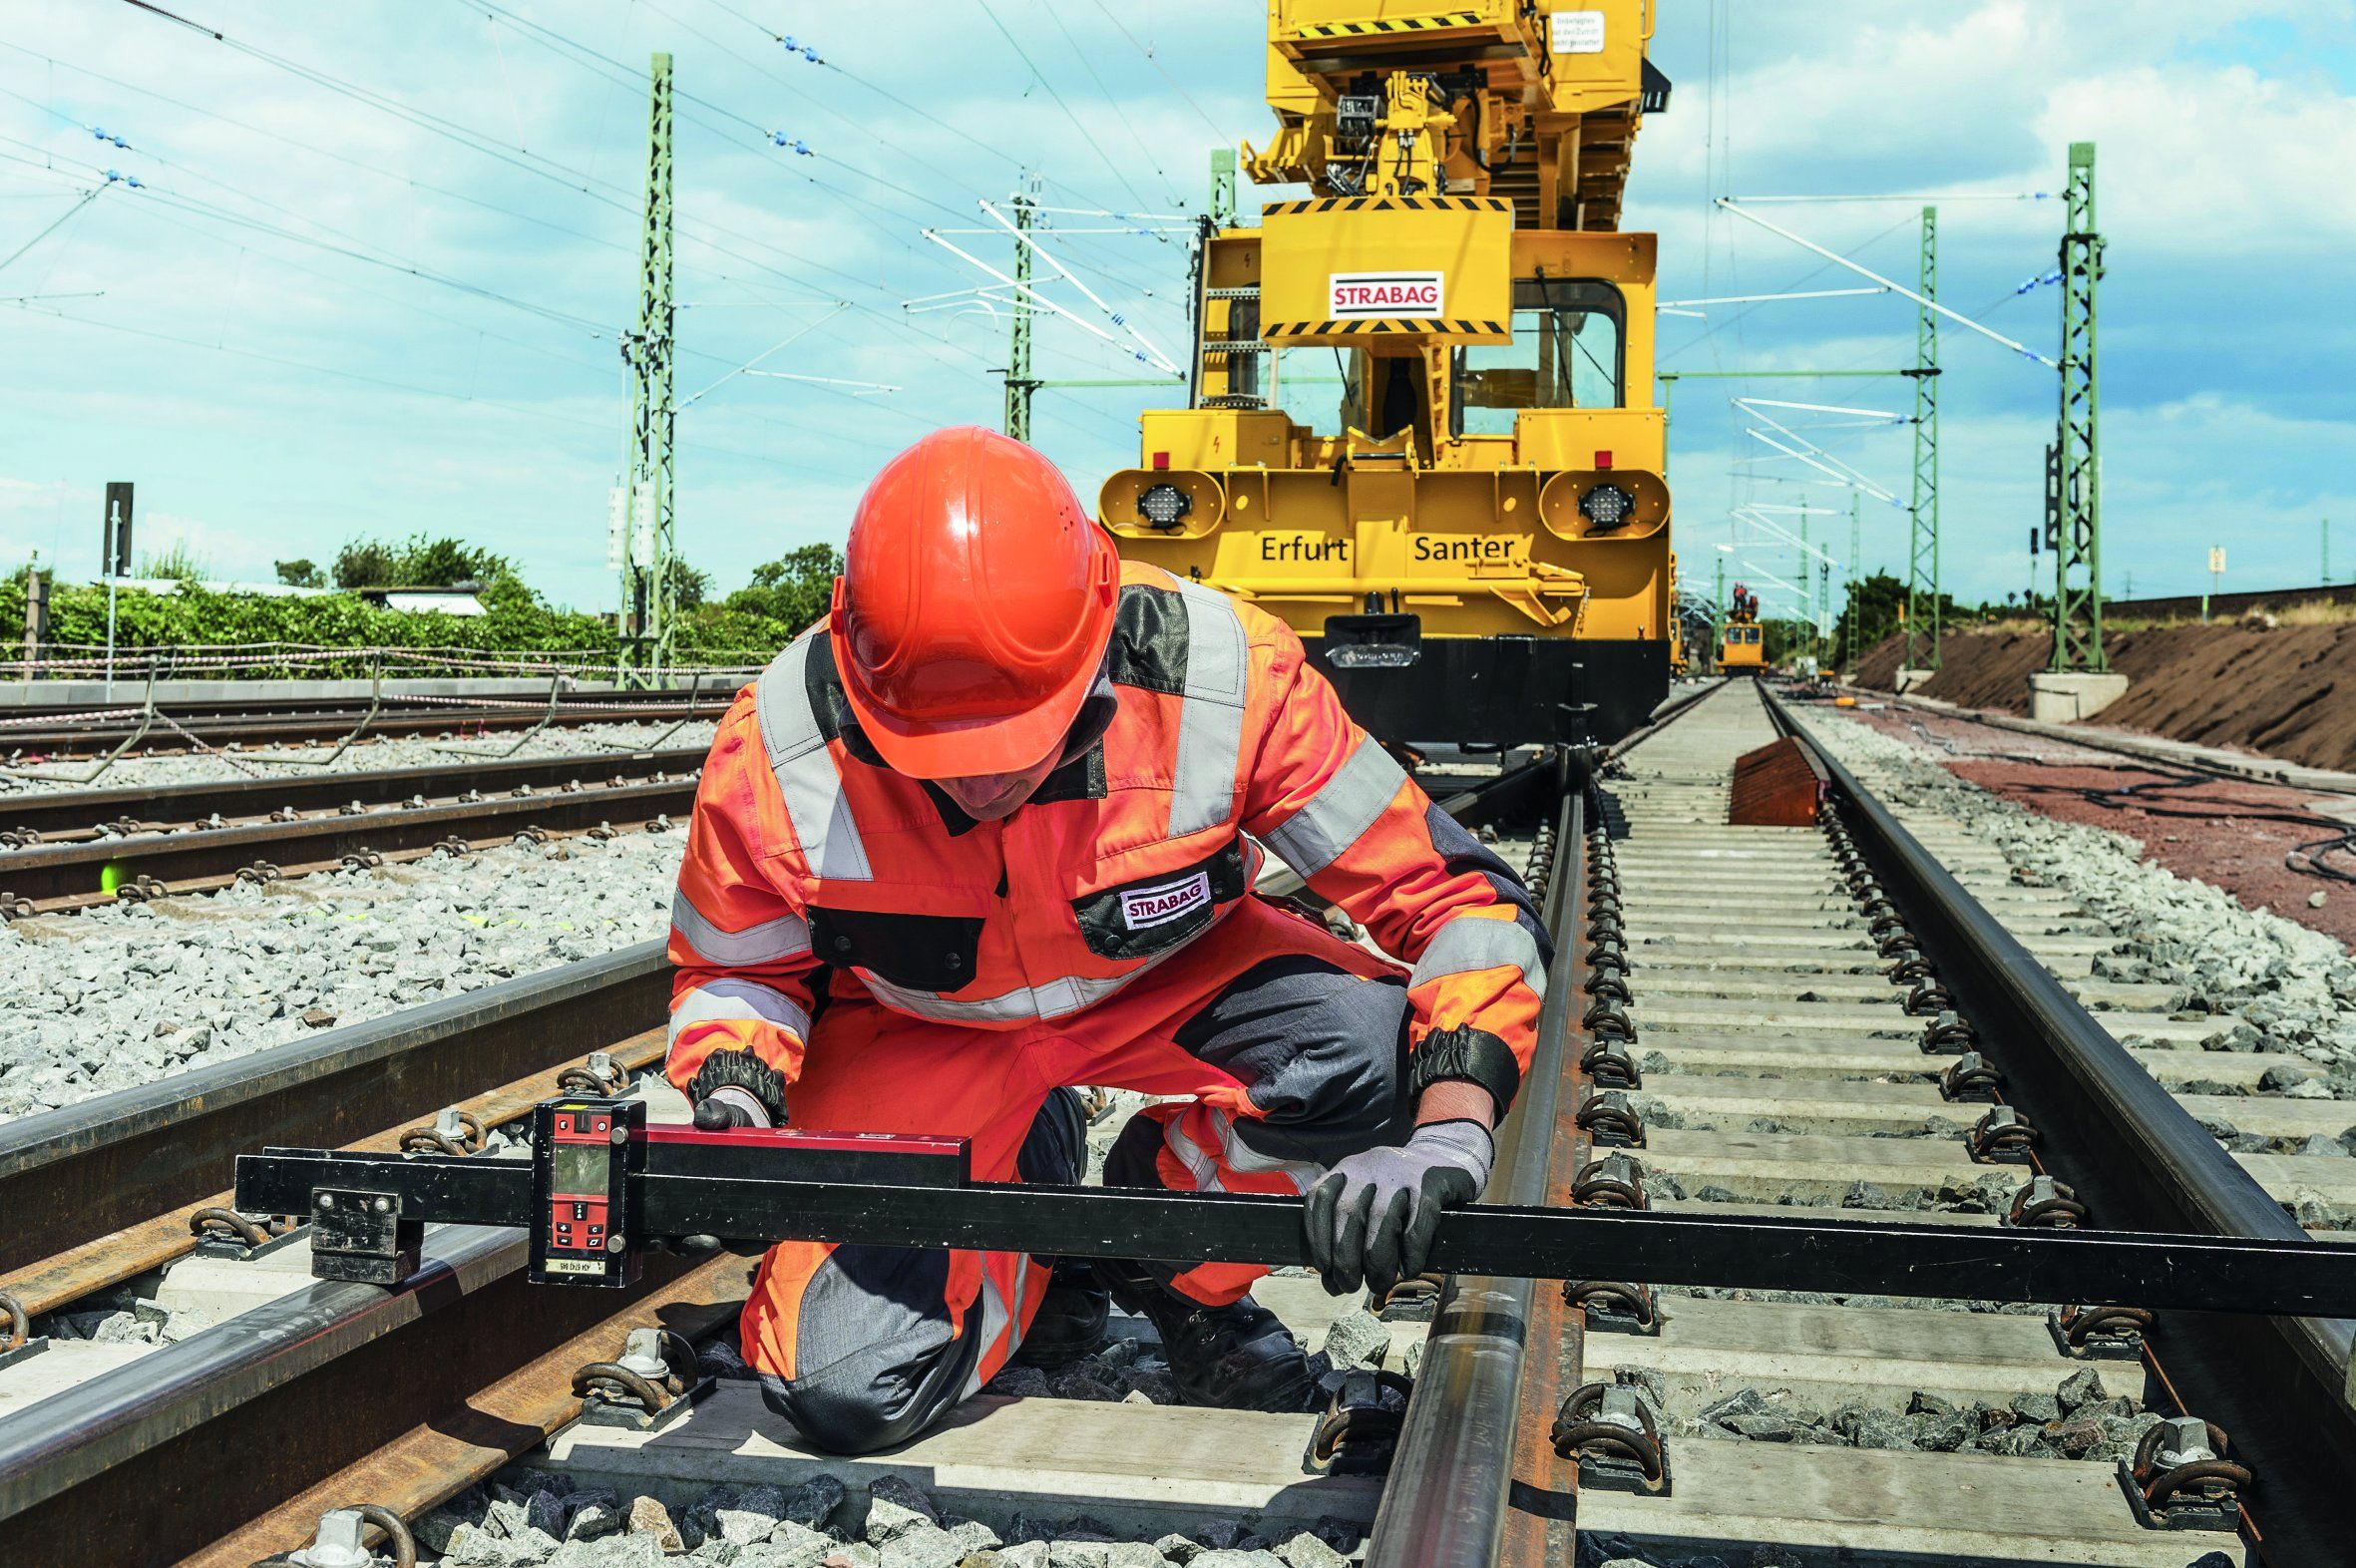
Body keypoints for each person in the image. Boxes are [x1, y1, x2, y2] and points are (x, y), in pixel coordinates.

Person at [664, 426, 1548, 1454]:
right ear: (864, 690)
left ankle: (1167, 1252)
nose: (982, 785)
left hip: (1167, 981)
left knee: (1381, 1052)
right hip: (922, 1032)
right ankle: (1026, 1206)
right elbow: (736, 966)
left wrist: (1450, 1126)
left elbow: (1457, 899)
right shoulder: (777, 742)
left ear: (1098, 648)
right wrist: (732, 1092)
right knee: (845, 1397)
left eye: (1023, 745)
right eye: (938, 759)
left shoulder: (1224, 676)